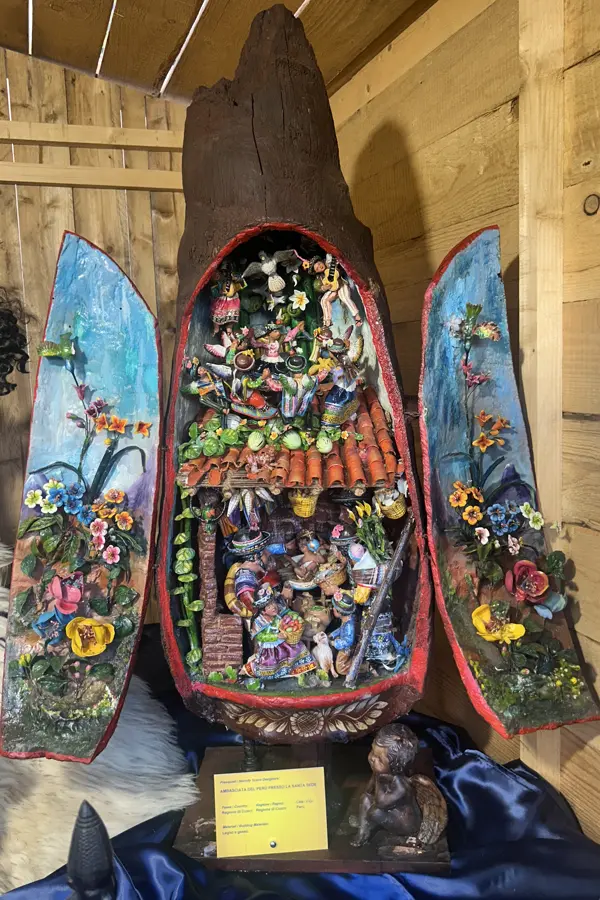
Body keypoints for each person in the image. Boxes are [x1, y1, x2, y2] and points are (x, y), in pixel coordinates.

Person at [240, 585, 317, 682]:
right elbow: (260, 636)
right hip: (270, 648)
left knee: (297, 648)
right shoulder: (259, 621)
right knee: (270, 661)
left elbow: (288, 613)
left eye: (273, 603)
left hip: (284, 641)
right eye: (269, 607)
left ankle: (295, 669)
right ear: (263, 612)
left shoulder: (278, 614)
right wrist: (275, 636)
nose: (273, 607)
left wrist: (295, 617)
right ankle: (248, 670)